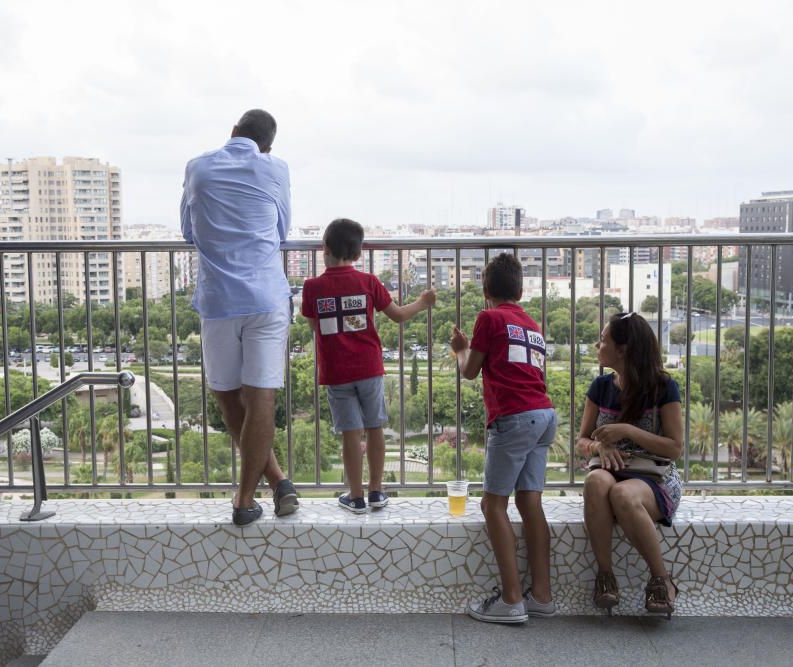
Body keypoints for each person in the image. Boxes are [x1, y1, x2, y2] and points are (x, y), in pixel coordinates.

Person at [180, 109, 298, 526]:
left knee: (229, 397)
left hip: (218, 299)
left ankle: (257, 492)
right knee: (261, 397)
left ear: (232, 131)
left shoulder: (197, 168)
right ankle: (263, 489)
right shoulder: (276, 170)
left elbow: (187, 231)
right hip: (267, 296)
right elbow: (282, 230)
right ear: (268, 147)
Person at [450, 252, 557, 624]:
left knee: (492, 505)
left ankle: (511, 600)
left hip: (514, 418)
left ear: (485, 290)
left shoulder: (489, 317)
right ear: (521, 290)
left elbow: (470, 371)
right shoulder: (532, 324)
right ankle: (541, 595)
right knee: (530, 503)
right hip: (545, 416)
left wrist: (461, 348)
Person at [301, 218, 435, 513]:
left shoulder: (312, 287)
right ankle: (376, 492)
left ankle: (356, 496)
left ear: (324, 248)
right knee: (375, 427)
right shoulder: (369, 282)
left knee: (350, 431)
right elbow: (398, 315)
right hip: (369, 368)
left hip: (336, 372)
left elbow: (314, 324)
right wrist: (423, 302)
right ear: (360, 254)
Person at [576, 311, 684, 617]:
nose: (598, 346)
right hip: (610, 471)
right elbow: (581, 440)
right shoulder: (600, 387)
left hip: (653, 479)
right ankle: (606, 576)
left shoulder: (663, 387)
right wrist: (598, 445)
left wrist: (628, 430)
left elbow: (675, 448)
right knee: (596, 482)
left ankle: (661, 580)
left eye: (603, 340)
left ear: (622, 350)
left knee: (623, 495)